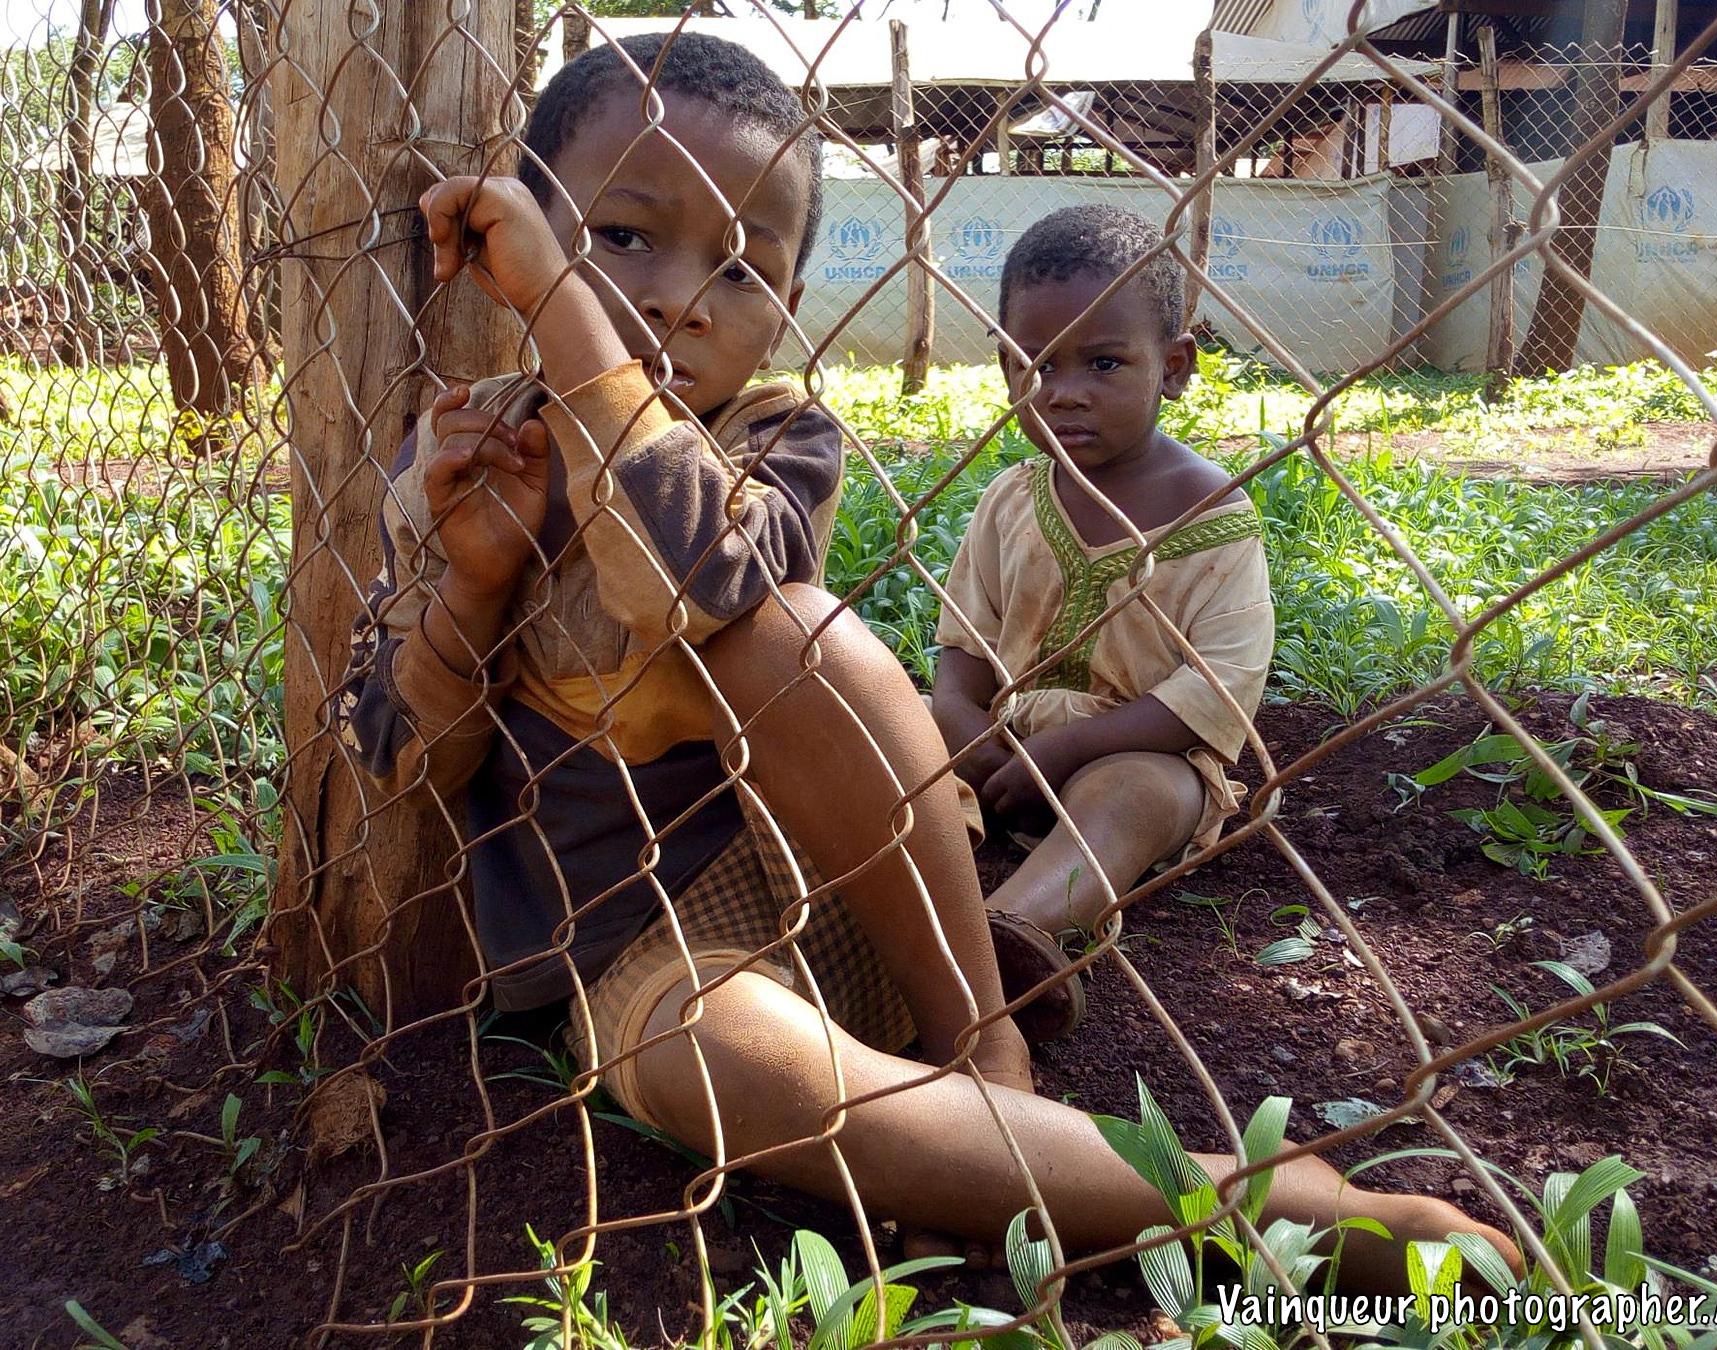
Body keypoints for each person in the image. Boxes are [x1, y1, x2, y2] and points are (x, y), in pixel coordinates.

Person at [334, 32, 1520, 1290]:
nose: (682, 298)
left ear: (788, 301)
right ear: (523, 228)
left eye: (742, 267)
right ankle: (1178, 1188)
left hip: (860, 884)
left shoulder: (776, 440)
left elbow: (685, 582)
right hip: (642, 953)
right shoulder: (461, 455)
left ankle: (989, 1049)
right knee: (707, 1073)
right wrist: (473, 584)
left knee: (787, 631)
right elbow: (400, 757)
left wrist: (569, 320)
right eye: (622, 237)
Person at [930, 204, 1274, 1046]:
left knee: (1134, 793)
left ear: (1175, 368)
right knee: (881, 716)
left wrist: (1067, 750)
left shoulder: (1214, 517)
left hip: (1136, 757)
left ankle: (1002, 935)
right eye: (1036, 364)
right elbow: (960, 660)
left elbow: (1217, 687)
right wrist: (973, 736)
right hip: (1003, 750)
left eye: (1105, 363)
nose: (1064, 392)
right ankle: (882, 883)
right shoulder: (1011, 499)